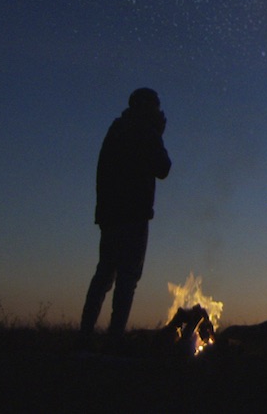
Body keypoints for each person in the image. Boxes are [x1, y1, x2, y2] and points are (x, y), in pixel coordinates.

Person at [80, 87, 172, 343]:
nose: (158, 110)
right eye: (155, 105)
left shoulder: (117, 129)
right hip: (132, 215)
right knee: (127, 277)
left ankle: (85, 334)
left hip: (110, 215)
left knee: (104, 274)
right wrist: (158, 134)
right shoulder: (144, 131)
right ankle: (114, 337)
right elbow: (163, 168)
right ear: (147, 106)